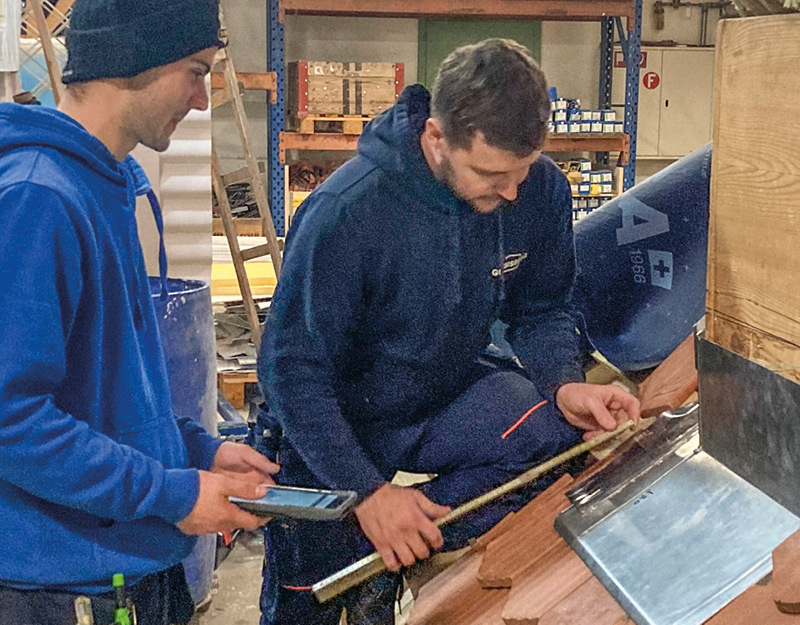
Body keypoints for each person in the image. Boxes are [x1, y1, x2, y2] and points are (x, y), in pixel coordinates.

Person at [257, 39, 640, 625]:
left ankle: (387, 555)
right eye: (491, 174)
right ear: (436, 138)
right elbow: (291, 371)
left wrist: (565, 383)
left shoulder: (538, 190)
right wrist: (367, 493)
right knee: (310, 593)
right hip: (336, 411)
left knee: (552, 437)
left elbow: (542, 308)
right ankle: (355, 550)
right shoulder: (348, 211)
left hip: (441, 388)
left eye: (522, 170)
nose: (511, 192)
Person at [0, 0, 279, 623]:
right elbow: (10, 419)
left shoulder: (107, 181)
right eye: (195, 72)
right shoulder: (38, 197)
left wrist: (195, 450)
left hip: (130, 567)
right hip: (62, 589)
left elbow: (106, 392)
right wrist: (171, 492)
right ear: (133, 59)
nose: (202, 100)